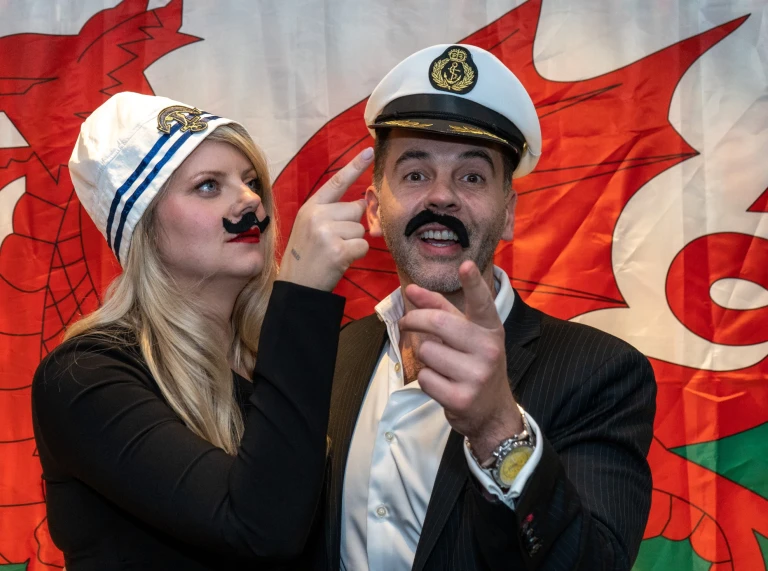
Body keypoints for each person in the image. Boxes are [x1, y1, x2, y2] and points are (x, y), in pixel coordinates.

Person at [308, 44, 656, 570]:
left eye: (472, 177)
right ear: (376, 209)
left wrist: (497, 427)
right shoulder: (331, 358)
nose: (442, 197)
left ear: (509, 215)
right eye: (415, 174)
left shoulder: (601, 373)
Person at [31, 92, 373, 570]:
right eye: (208, 186)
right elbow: (258, 526)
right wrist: (302, 299)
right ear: (144, 229)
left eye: (250, 181)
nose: (251, 199)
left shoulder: (273, 358)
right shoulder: (83, 377)